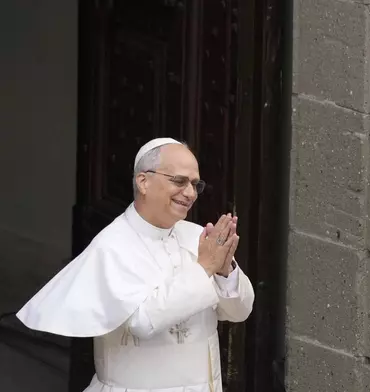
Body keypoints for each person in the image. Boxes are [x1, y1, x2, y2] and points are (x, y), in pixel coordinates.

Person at [17, 138, 255, 391]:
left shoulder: (197, 237)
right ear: (143, 182)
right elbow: (142, 322)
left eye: (195, 184)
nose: (190, 193)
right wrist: (205, 268)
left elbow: (239, 313)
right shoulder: (113, 245)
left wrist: (224, 271)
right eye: (179, 181)